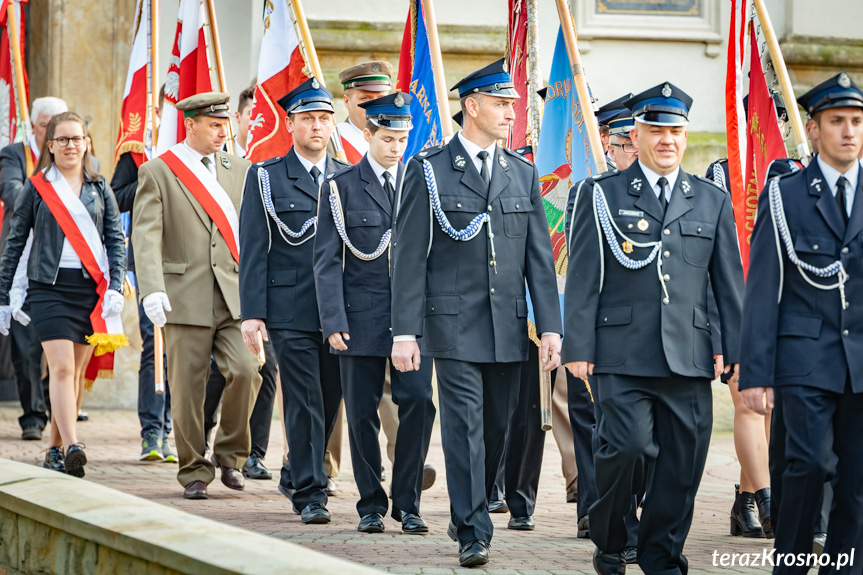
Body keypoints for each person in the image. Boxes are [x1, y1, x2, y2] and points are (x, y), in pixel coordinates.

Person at [562, 82, 744, 575]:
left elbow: (727, 285)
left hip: (689, 353)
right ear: (637, 133)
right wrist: (577, 346)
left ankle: (661, 556)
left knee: (682, 466)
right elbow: (581, 276)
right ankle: (612, 536)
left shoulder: (710, 200)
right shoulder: (601, 195)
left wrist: (736, 351)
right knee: (625, 448)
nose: (667, 140)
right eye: (657, 130)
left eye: (676, 131)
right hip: (620, 352)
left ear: (685, 136)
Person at [390, 58, 562, 567]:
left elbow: (539, 258)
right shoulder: (431, 169)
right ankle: (472, 529)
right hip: (451, 323)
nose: (512, 111)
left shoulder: (522, 172)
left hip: (508, 325)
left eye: (512, 103)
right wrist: (405, 332)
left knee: (498, 428)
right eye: (501, 103)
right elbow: (408, 257)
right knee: (463, 425)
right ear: (471, 106)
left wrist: (550, 325)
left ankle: (472, 503)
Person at [740, 71, 863, 575]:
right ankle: (789, 565)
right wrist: (756, 374)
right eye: (837, 121)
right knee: (807, 466)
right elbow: (762, 289)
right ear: (814, 129)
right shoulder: (784, 195)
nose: (850, 132)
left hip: (860, 363)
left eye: (857, 121)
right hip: (804, 357)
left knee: (855, 480)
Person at [314, 92, 436, 534]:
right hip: (359, 316)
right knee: (361, 410)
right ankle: (370, 502)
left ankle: (408, 500)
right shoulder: (341, 186)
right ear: (368, 134)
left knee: (420, 402)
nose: (397, 147)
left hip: (413, 321)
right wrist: (332, 321)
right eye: (388, 138)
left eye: (403, 139)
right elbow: (326, 260)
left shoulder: (422, 182)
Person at [132, 91, 260, 500]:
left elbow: (253, 235)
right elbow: (146, 234)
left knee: (247, 371)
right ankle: (193, 470)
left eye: (226, 124)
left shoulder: (240, 169)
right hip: (184, 295)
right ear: (190, 124)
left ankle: (230, 454)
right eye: (215, 125)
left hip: (234, 294)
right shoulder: (159, 171)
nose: (224, 132)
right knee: (187, 387)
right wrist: (151, 288)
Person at [238, 77, 347, 524]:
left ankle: (295, 468)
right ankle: (310, 491)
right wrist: (253, 314)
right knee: (303, 399)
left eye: (324, 119)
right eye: (308, 119)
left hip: (339, 311)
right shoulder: (265, 177)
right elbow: (253, 249)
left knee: (331, 396)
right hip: (290, 308)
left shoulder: (347, 176)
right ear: (291, 124)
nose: (317, 127)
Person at [0, 111, 127, 478]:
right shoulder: (36, 187)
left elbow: (115, 240)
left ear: (87, 143)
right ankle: (73, 445)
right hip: (47, 289)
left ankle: (54, 449)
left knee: (74, 376)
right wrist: (4, 293)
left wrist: (116, 284)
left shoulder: (100, 187)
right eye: (64, 139)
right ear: (50, 146)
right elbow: (15, 242)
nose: (72, 145)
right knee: (61, 367)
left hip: (89, 291)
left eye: (78, 138)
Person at [110, 85, 177, 464]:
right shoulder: (136, 152)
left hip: (193, 261)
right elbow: (116, 196)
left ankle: (178, 427)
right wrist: (152, 178)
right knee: (156, 345)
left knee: (189, 351)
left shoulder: (194, 149)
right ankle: (153, 431)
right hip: (150, 258)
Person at [0, 97, 68, 441]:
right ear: (35, 127)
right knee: (26, 343)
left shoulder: (79, 159)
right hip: (23, 262)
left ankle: (58, 409)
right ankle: (32, 414)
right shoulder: (15, 154)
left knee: (61, 343)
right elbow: (11, 191)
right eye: (47, 125)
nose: (53, 132)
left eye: (59, 125)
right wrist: (49, 202)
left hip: (65, 265)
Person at [335, 61, 393, 164]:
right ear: (347, 101)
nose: (375, 105)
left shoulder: (400, 139)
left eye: (381, 98)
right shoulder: (333, 141)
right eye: (366, 98)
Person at [231, 84, 255, 158]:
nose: (256, 119)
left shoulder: (271, 157)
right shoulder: (219, 153)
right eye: (251, 113)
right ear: (237, 117)